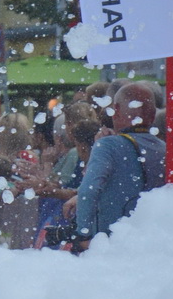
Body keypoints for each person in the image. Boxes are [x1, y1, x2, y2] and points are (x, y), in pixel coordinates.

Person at [70, 82, 165, 248]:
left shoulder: (108, 145)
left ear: (116, 110)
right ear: (152, 115)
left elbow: (88, 191)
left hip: (111, 242)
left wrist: (82, 234)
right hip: (153, 241)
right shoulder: (165, 149)